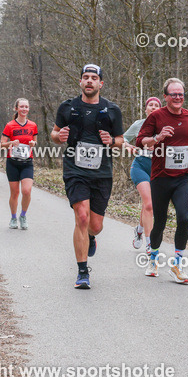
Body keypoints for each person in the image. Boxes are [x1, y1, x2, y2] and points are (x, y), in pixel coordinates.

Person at [51, 64, 124, 289]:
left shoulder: (112, 110)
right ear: (80, 82)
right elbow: (54, 133)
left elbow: (120, 140)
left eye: (94, 77)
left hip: (102, 172)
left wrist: (111, 141)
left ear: (100, 83)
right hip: (75, 170)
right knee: (81, 217)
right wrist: (59, 136)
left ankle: (91, 237)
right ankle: (83, 272)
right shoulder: (68, 107)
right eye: (86, 77)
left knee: (96, 225)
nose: (89, 81)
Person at [136, 78, 188, 283]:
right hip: (160, 177)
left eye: (180, 94)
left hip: (182, 177)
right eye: (173, 94)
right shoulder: (156, 116)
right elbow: (140, 141)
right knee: (160, 222)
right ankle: (153, 259)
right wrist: (157, 137)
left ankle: (177, 264)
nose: (177, 97)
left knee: (184, 218)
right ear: (165, 96)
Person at [122, 96, 161, 254]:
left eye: (156, 105)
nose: (153, 107)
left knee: (147, 205)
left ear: (160, 109)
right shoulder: (139, 124)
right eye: (150, 105)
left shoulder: (165, 125)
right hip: (140, 166)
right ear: (146, 109)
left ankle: (139, 230)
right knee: (149, 204)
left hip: (158, 169)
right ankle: (150, 244)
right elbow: (123, 138)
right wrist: (128, 146)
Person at [1, 98, 38, 229]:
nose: (24, 109)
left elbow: (35, 141)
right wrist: (11, 143)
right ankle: (13, 218)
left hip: (27, 162)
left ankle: (23, 216)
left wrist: (33, 143)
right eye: (21, 106)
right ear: (16, 108)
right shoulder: (10, 125)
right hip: (13, 163)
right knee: (15, 193)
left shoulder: (33, 125)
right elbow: (2, 144)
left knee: (26, 191)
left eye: (26, 107)